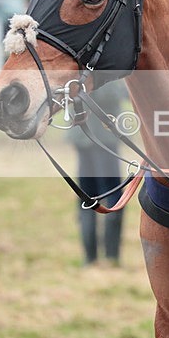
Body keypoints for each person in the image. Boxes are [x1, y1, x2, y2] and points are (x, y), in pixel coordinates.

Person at [66, 79, 129, 267]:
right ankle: (111, 256)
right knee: (113, 196)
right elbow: (112, 95)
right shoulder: (102, 69)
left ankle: (91, 258)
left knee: (87, 198)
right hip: (104, 139)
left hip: (83, 137)